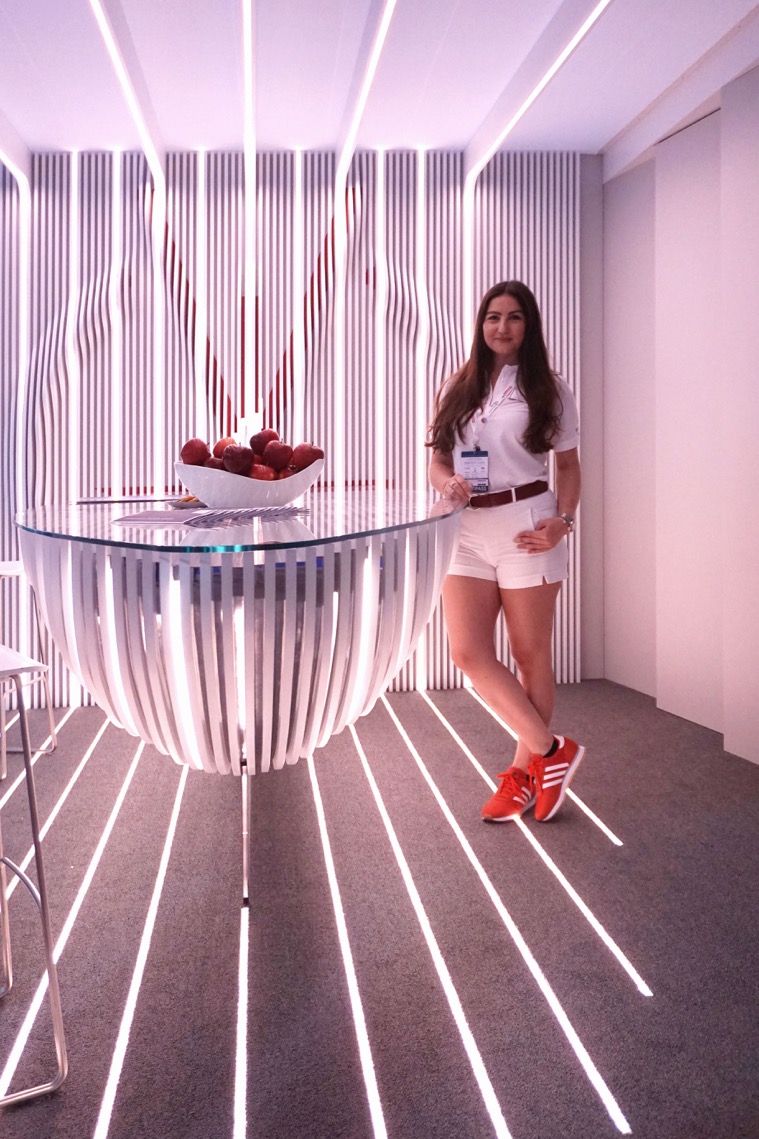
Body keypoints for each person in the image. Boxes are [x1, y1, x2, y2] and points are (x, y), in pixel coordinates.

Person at [427, 280, 585, 823]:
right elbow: (439, 460)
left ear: (529, 326)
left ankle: (521, 777)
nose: (502, 327)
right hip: (467, 528)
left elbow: (567, 466)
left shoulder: (550, 390)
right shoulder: (459, 385)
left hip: (526, 525)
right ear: (481, 325)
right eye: (493, 317)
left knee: (529, 655)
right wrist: (446, 484)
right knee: (468, 652)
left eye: (514, 318)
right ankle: (550, 751)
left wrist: (561, 524)